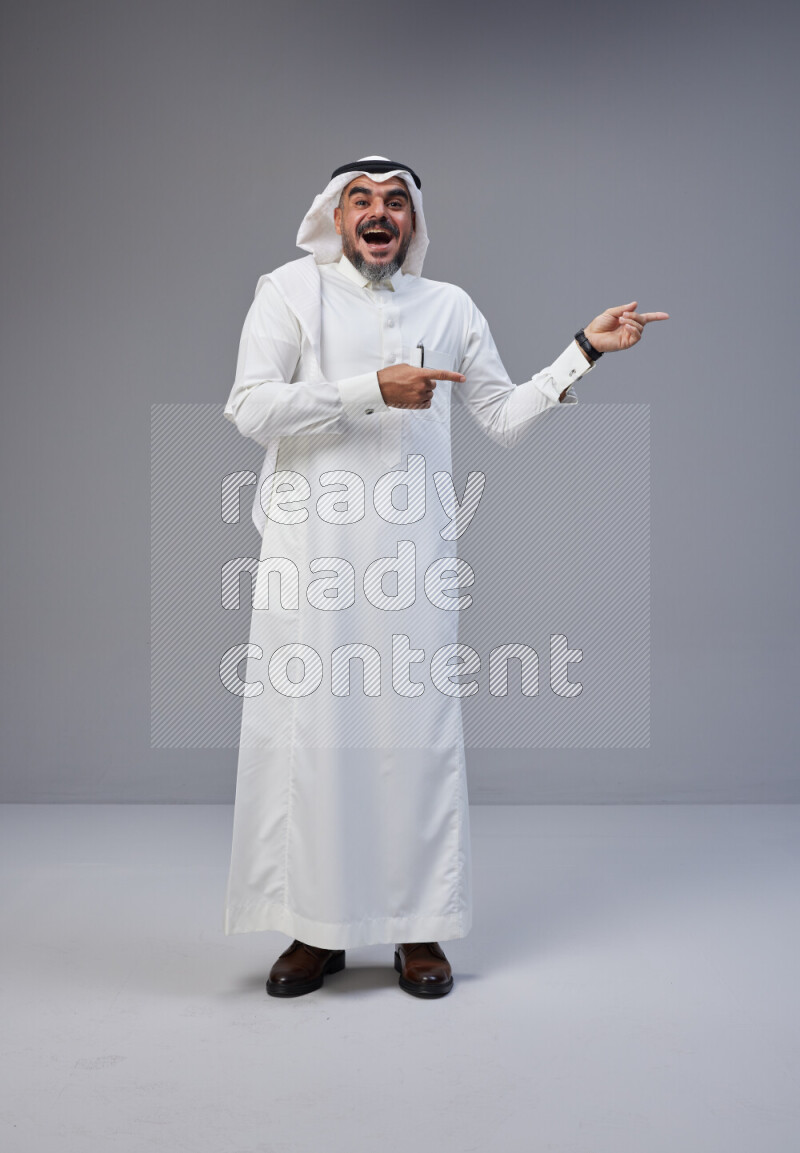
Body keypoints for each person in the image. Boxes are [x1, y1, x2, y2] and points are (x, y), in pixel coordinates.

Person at [222, 156, 668, 999]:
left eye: (396, 202)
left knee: (412, 739)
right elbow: (249, 407)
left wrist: (583, 353)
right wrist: (369, 389)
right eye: (362, 200)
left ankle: (416, 927)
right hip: (308, 559)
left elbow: (499, 416)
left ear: (413, 223)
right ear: (336, 215)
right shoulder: (287, 293)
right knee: (313, 741)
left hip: (411, 563)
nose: (379, 213)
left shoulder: (449, 307)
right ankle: (312, 931)